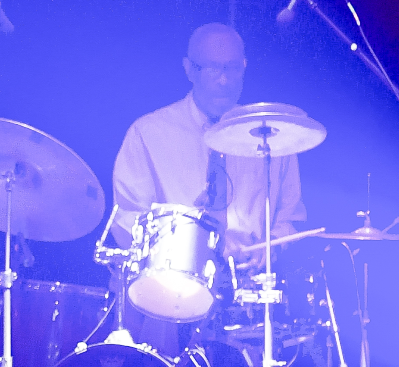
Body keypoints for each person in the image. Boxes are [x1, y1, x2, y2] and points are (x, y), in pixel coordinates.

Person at [106, 22, 306, 257]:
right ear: (189, 69)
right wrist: (190, 245)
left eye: (232, 68)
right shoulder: (148, 134)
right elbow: (127, 220)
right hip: (173, 279)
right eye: (213, 69)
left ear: (244, 67)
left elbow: (292, 221)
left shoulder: (271, 136)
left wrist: (269, 247)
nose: (223, 80)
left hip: (251, 282)